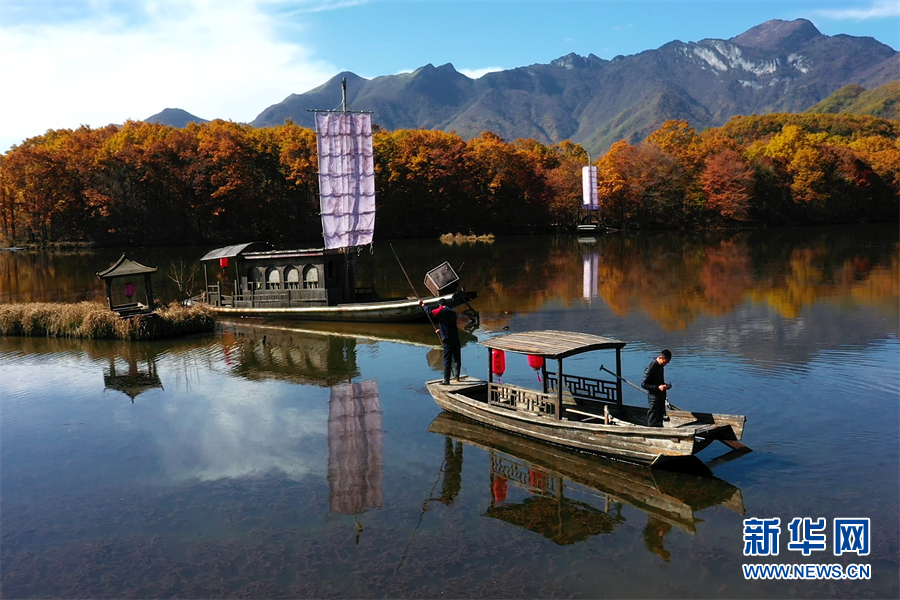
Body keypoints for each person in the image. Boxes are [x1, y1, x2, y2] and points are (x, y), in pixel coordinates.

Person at [419, 298, 461, 384]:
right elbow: (449, 325)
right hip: (455, 337)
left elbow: (430, 312)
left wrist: (423, 305)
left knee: (447, 359)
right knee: (456, 358)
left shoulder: (441, 310)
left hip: (447, 339)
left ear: (440, 305)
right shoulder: (453, 312)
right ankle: (456, 377)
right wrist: (441, 330)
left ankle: (446, 380)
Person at [641, 349, 672, 427]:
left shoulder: (660, 366)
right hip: (654, 398)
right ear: (660, 358)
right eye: (665, 362)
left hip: (661, 397)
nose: (665, 364)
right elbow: (644, 384)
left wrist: (665, 386)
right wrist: (658, 387)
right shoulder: (651, 368)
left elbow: (657, 381)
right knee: (653, 418)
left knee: (660, 418)